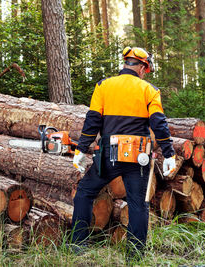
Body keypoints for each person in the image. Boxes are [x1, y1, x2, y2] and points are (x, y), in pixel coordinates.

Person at [70, 47, 176, 254]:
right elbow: (159, 124)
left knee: (84, 193)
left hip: (109, 154)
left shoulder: (103, 86)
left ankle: (77, 245)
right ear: (143, 67)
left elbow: (92, 121)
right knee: (138, 203)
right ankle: (136, 254)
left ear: (126, 64)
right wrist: (169, 153)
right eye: (146, 69)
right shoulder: (150, 90)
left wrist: (81, 150)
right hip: (139, 157)